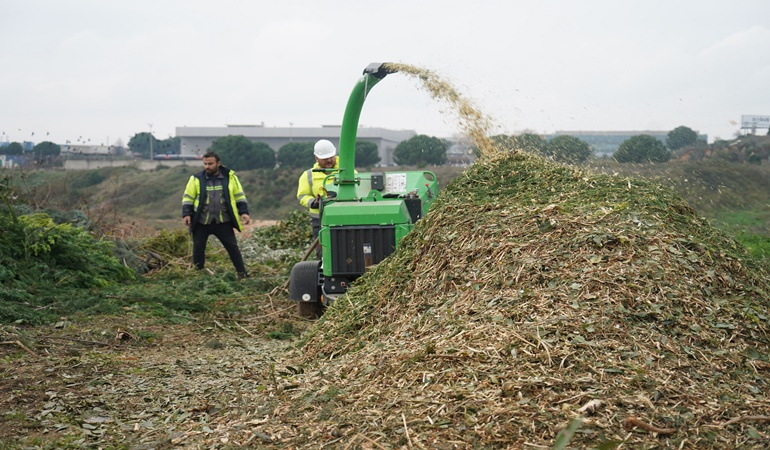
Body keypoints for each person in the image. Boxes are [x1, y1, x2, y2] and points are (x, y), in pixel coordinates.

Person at [182, 152, 251, 277]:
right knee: (198, 250)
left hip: (223, 222)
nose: (207, 166)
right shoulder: (196, 179)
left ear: (218, 163)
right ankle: (198, 276)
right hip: (202, 222)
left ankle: (243, 274)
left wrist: (244, 212)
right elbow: (188, 197)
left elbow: (239, 196)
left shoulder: (230, 178)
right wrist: (186, 214)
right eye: (205, 164)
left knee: (233, 249)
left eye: (210, 164)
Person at [297, 139, 339, 257]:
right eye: (325, 158)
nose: (329, 160)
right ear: (316, 158)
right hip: (319, 221)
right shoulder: (308, 175)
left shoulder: (347, 172)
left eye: (331, 157)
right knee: (323, 252)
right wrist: (313, 203)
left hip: (342, 218)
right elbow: (302, 195)